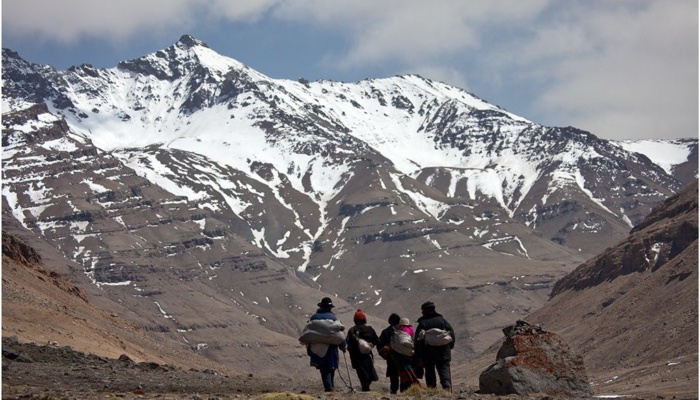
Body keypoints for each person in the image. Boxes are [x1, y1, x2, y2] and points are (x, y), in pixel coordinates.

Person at [307, 297, 347, 392]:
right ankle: (329, 387)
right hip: (331, 347)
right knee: (331, 366)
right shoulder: (333, 318)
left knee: (323, 367)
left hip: (317, 346)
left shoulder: (314, 318)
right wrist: (343, 345)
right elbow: (338, 333)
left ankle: (329, 387)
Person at [414, 301, 455, 391]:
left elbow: (418, 342)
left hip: (428, 353)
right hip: (444, 351)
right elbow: (451, 334)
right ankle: (446, 387)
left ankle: (432, 390)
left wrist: (419, 357)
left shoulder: (422, 324)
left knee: (430, 372)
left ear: (425, 311)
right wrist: (449, 346)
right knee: (444, 369)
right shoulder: (442, 321)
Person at [347, 309, 379, 391]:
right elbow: (377, 341)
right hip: (368, 355)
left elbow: (348, 343)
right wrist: (370, 346)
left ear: (355, 320)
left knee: (361, 373)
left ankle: (365, 388)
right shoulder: (369, 329)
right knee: (368, 371)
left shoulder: (351, 330)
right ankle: (366, 387)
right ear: (364, 319)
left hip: (356, 357)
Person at [393, 317, 420, 391]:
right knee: (410, 374)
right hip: (410, 357)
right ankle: (412, 388)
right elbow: (414, 341)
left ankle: (403, 390)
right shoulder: (411, 330)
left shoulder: (397, 331)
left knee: (403, 376)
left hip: (400, 357)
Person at [377, 313, 401, 394]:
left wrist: (385, 355)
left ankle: (394, 392)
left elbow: (379, 344)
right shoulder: (404, 330)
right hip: (404, 356)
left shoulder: (386, 332)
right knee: (404, 375)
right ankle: (405, 391)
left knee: (394, 376)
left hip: (391, 357)